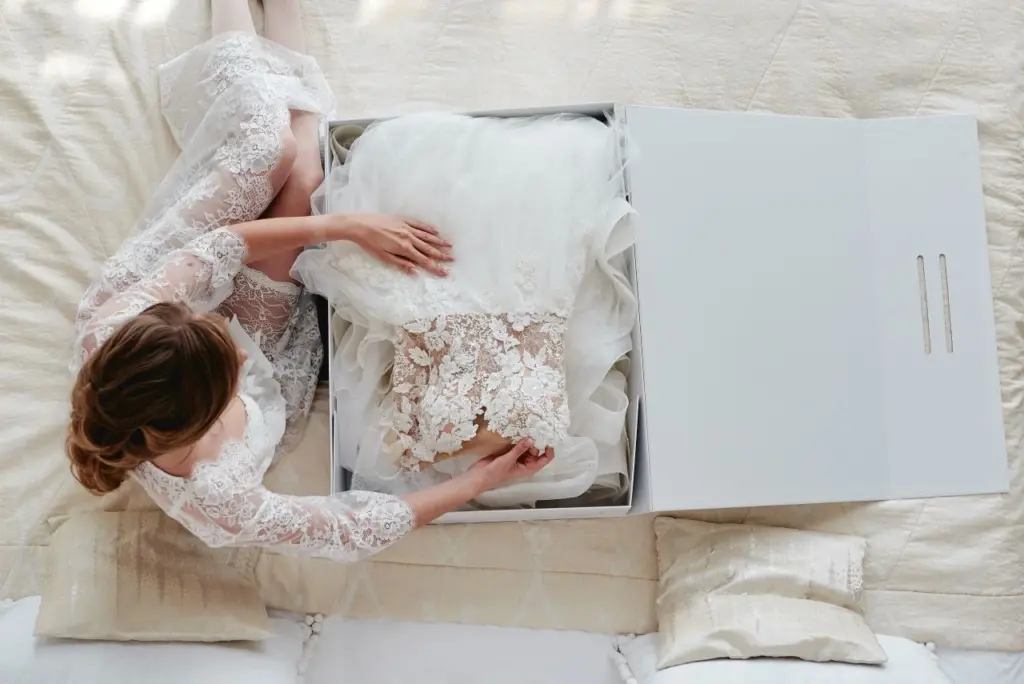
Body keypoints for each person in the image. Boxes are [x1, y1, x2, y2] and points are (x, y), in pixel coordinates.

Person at [65, 0, 551, 562]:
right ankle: (283, 18)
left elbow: (228, 246)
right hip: (254, 372)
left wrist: (349, 226)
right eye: (231, 367)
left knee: (267, 148)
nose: (239, 353)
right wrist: (477, 484)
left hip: (153, 282)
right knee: (305, 176)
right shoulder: (217, 497)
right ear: (209, 411)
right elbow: (344, 528)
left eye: (221, 341)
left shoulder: (117, 326)